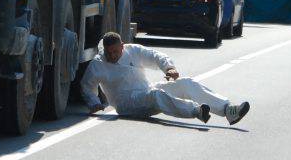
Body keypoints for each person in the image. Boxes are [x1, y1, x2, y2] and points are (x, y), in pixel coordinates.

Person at [81, 32, 251, 125]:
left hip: (146, 91)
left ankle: (228, 110)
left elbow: (155, 55)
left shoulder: (133, 50)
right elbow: (87, 85)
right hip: (127, 104)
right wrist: (93, 101)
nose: (112, 56)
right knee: (156, 95)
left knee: (185, 83)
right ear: (104, 50)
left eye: (115, 52)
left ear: (122, 47)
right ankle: (196, 111)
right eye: (109, 53)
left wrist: (169, 67)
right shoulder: (98, 63)